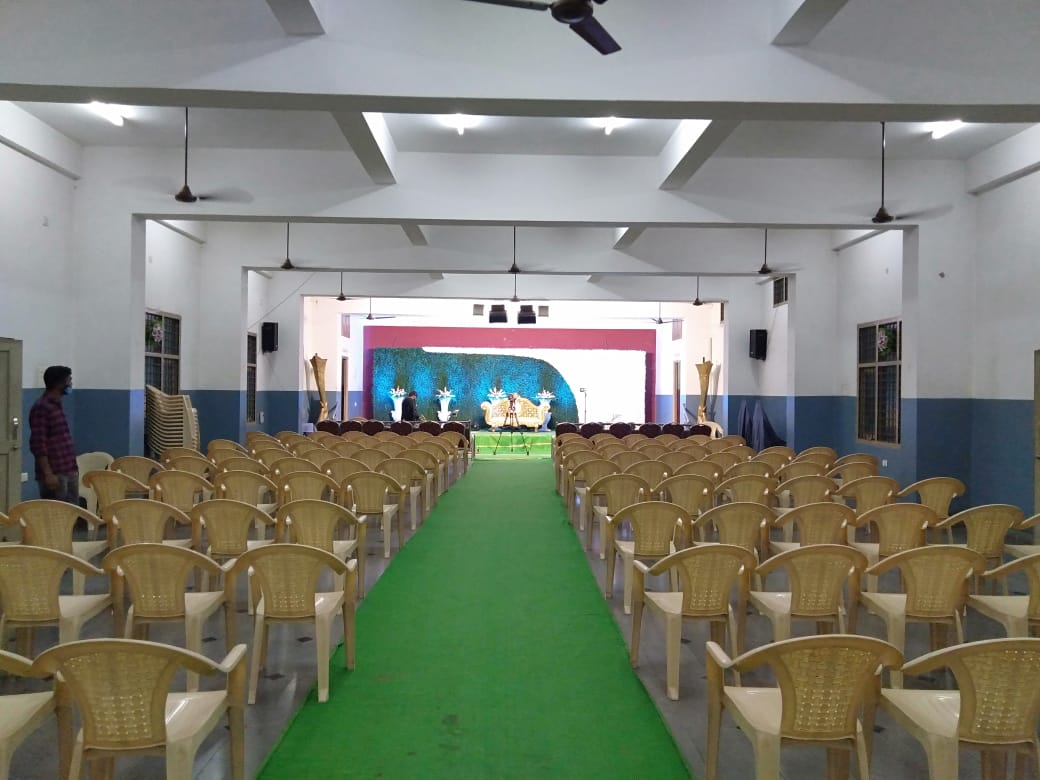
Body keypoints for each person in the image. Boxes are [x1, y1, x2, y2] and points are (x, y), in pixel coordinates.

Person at [29, 365, 79, 504]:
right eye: (68, 380)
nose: (71, 384)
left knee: (72, 512)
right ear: (58, 384)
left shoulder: (57, 405)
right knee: (55, 513)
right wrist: (48, 474)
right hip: (55, 473)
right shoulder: (41, 407)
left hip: (68, 469)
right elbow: (38, 444)